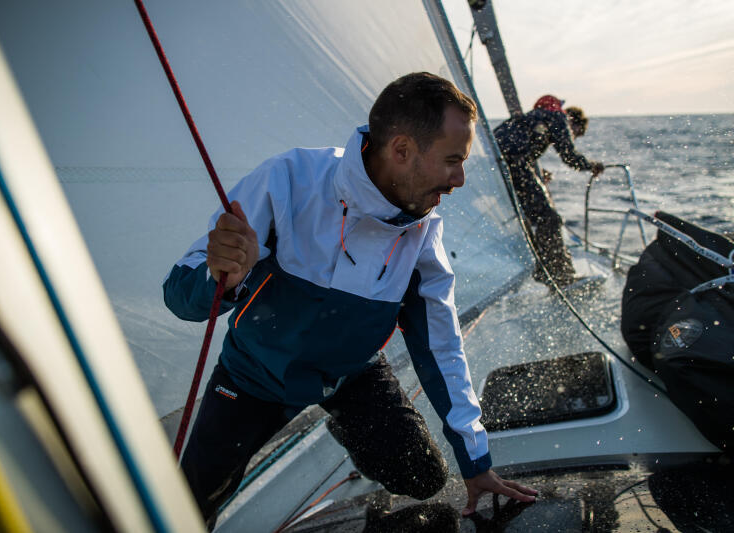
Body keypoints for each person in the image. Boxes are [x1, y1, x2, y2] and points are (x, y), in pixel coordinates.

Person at [163, 72, 538, 528]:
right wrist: (219, 278)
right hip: (253, 376)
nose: (460, 179)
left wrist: (475, 461)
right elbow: (181, 298)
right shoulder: (288, 181)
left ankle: (343, 423)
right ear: (401, 151)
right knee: (186, 508)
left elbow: (440, 346)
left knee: (422, 479)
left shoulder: (423, 232)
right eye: (452, 160)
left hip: (350, 374)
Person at [493, 95, 604, 287]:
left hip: (496, 164)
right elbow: (570, 156)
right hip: (514, 163)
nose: (573, 137)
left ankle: (541, 269)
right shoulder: (558, 118)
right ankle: (561, 277)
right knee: (549, 219)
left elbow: (515, 147)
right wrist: (592, 165)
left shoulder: (535, 117)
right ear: (573, 123)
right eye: (576, 134)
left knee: (527, 218)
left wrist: (536, 173)